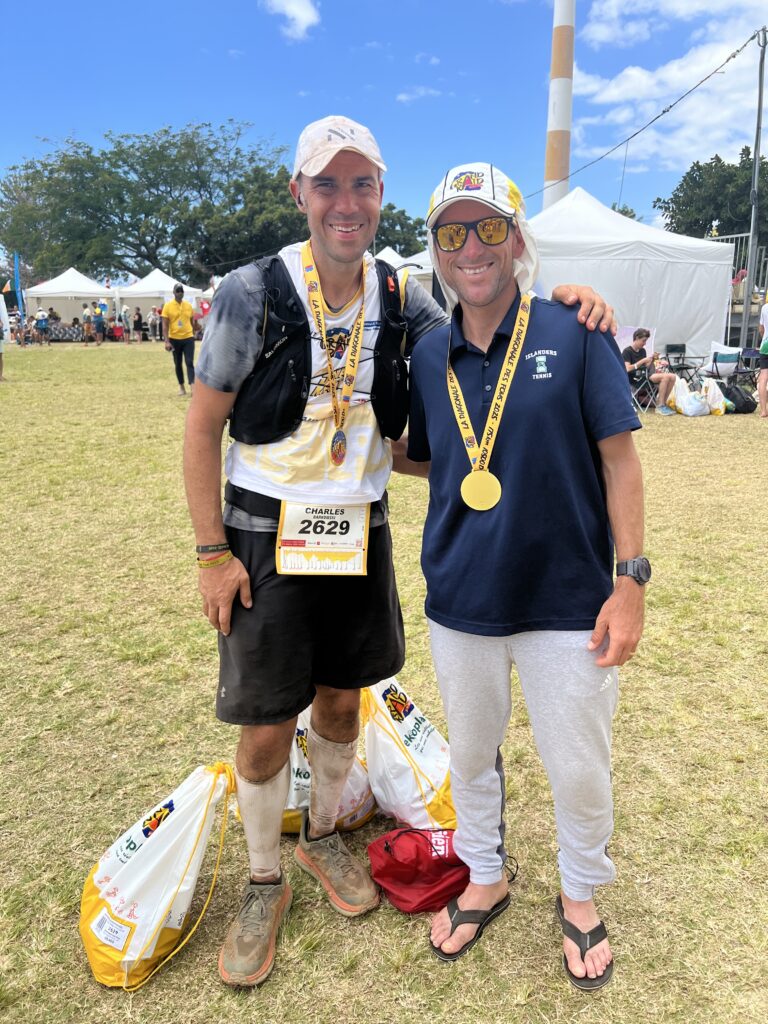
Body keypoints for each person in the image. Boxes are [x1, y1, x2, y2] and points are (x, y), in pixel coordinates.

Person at [184, 115, 615, 989]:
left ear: (381, 194)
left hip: (360, 528)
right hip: (265, 529)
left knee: (344, 701)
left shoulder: (402, 294)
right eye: (327, 184)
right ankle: (263, 881)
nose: (345, 202)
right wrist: (210, 554)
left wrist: (575, 300)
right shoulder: (249, 290)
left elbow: (482, 311)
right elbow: (201, 430)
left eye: (362, 184)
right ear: (299, 193)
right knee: (266, 723)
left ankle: (327, 839)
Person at [395, 162, 646, 991]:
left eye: (489, 228)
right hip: (460, 596)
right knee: (471, 755)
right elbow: (426, 455)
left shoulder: (576, 330)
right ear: (436, 249)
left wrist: (631, 582)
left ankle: (580, 892)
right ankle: (485, 875)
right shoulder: (427, 353)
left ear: (517, 240)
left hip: (568, 598)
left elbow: (621, 461)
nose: (471, 248)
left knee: (577, 764)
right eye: (453, 232)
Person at [622, 328, 676, 414]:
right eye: (643, 341)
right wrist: (642, 361)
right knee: (665, 377)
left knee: (673, 376)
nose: (645, 343)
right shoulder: (627, 351)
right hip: (636, 378)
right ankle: (660, 406)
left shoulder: (642, 351)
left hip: (646, 374)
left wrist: (652, 359)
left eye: (646, 341)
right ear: (637, 338)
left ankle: (662, 404)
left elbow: (646, 366)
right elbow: (627, 368)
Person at [162, 285, 196, 395]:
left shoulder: (188, 305)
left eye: (181, 291)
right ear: (173, 292)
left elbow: (191, 321)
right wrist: (167, 341)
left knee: (189, 362)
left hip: (188, 338)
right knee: (178, 363)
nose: (180, 293)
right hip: (174, 339)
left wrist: (193, 334)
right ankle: (181, 387)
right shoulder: (168, 306)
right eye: (178, 291)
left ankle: (193, 387)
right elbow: (165, 325)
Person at [758, 296, 768, 418]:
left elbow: (761, 328)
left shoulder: (764, 308)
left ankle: (763, 411)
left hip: (765, 345)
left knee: (763, 378)